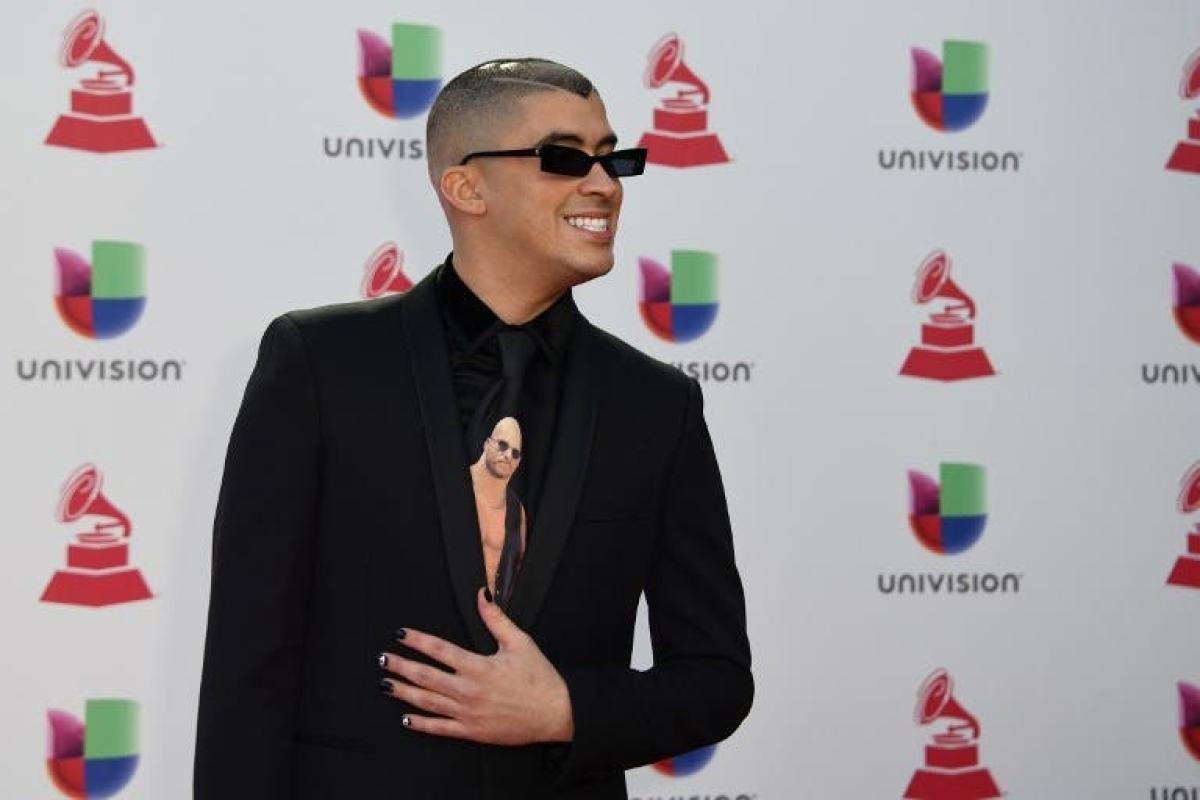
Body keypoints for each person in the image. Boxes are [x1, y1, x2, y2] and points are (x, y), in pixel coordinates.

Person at [195, 58, 752, 800]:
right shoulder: (321, 365)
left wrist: (565, 711)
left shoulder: (656, 405)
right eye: (564, 157)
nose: (604, 184)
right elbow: (248, 667)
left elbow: (716, 679)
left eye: (611, 158)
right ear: (465, 187)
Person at [471, 416, 527, 608]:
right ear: (487, 444)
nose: (508, 455)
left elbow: (519, 571)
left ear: (518, 462)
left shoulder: (517, 511)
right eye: (502, 445)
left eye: (515, 453)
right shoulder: (457, 486)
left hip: (493, 615)